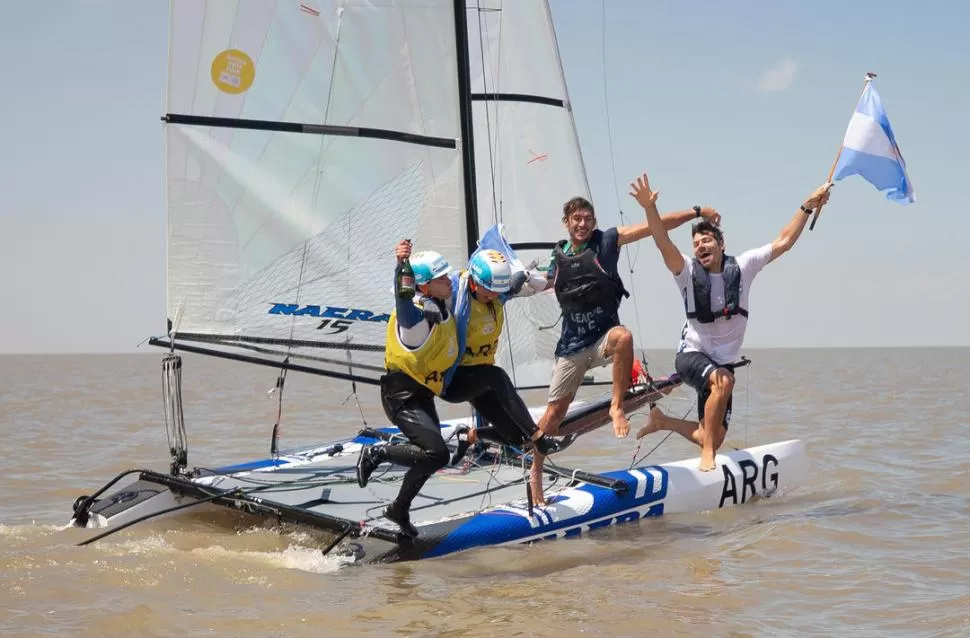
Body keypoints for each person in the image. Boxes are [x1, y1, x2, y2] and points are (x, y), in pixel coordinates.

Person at [629, 171, 832, 471]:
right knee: (723, 382)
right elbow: (662, 242)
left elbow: (784, 242)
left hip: (722, 361)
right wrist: (650, 208)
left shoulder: (744, 267)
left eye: (707, 240)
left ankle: (664, 422)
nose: (700, 246)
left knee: (713, 433)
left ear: (721, 244)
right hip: (691, 356)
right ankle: (707, 457)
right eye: (696, 243)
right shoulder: (685, 271)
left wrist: (807, 205)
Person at [528, 195, 722, 502]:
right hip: (571, 347)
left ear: (593, 222)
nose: (582, 224)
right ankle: (535, 472)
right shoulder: (557, 256)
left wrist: (697, 211)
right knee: (554, 416)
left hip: (603, 340)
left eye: (587, 219)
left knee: (623, 337)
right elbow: (540, 284)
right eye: (576, 219)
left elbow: (654, 226)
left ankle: (616, 407)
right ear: (566, 222)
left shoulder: (606, 241)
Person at [355, 240, 460, 538]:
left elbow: (464, 280)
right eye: (441, 278)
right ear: (424, 286)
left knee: (431, 456)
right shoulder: (412, 319)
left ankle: (399, 510)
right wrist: (402, 264)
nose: (448, 280)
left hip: (421, 394)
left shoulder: (439, 303)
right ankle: (378, 453)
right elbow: (403, 296)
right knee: (437, 454)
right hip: (400, 396)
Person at [441, 247, 563, 459]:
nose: (492, 297)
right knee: (497, 376)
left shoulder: (499, 295)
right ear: (473, 282)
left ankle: (468, 436)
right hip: (453, 381)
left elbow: (542, 286)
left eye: (497, 292)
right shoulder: (453, 297)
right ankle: (539, 437)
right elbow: (419, 291)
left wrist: (555, 271)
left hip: (481, 380)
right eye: (487, 292)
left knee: (517, 438)